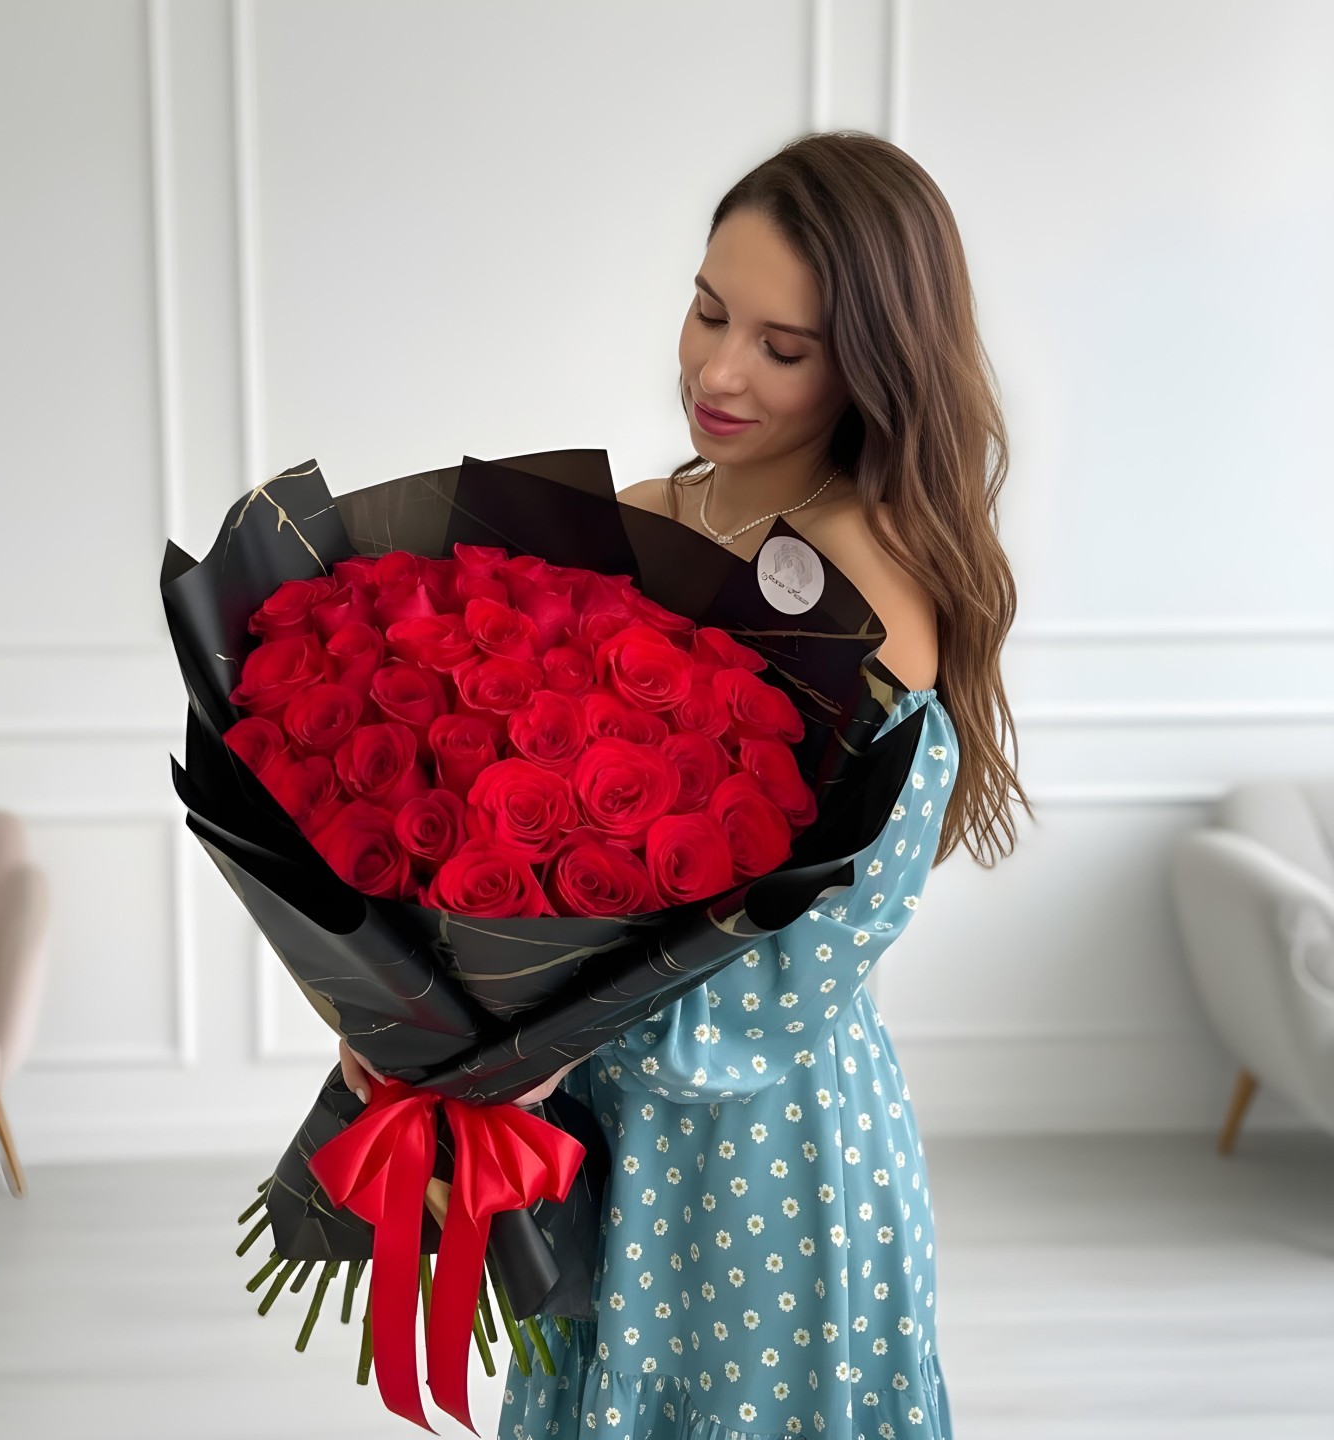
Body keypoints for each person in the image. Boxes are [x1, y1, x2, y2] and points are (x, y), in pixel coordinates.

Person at [342, 129, 1028, 1440]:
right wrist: (414, 994)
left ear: (874, 364)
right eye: (709, 309)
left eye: (784, 347)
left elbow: (807, 950)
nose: (718, 369)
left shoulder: (870, 581)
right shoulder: (646, 510)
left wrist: (517, 1047)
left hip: (760, 1142)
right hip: (592, 1126)